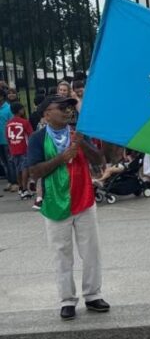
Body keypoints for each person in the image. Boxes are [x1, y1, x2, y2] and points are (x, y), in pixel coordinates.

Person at [26, 95, 109, 320]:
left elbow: (98, 160)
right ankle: (67, 300)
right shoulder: (37, 138)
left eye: (69, 107)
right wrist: (62, 158)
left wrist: (81, 142)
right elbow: (34, 171)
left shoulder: (78, 133)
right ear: (46, 114)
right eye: (61, 107)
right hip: (55, 203)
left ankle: (93, 295)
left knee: (91, 251)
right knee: (61, 254)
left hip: (83, 199)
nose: (67, 111)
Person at [6, 102, 34, 199]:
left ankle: (20, 188)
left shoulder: (9, 123)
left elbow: (8, 137)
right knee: (25, 168)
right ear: (19, 110)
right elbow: (31, 135)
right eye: (22, 108)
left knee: (18, 169)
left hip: (13, 148)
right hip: (24, 148)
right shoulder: (24, 122)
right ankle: (25, 190)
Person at [0, 88, 13, 192]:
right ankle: (9, 181)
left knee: (10, 162)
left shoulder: (8, 108)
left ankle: (15, 182)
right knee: (4, 162)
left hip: (7, 140)